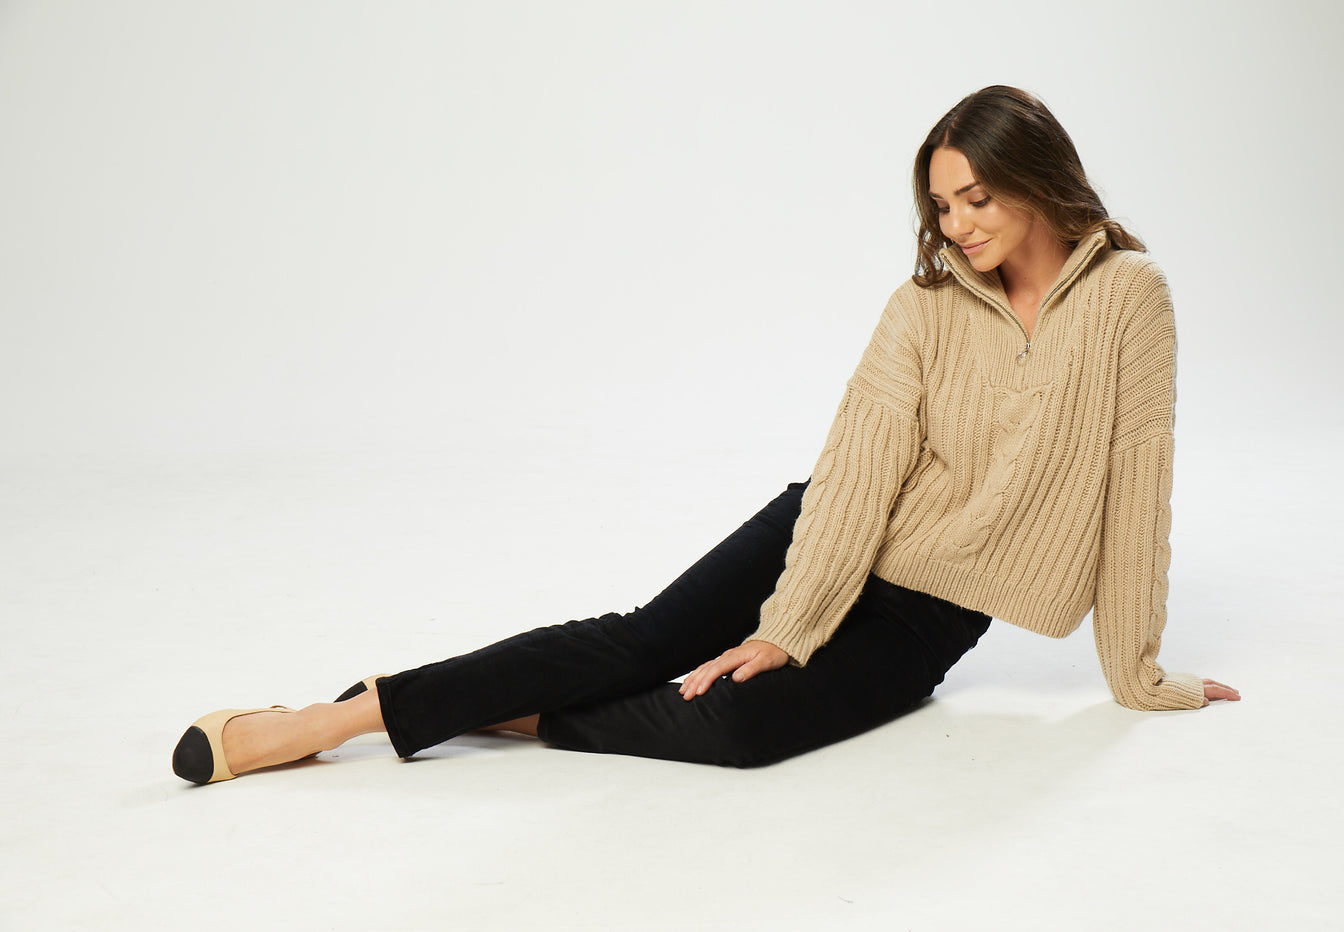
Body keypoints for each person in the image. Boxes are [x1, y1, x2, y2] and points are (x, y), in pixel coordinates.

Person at [172, 85, 1240, 786]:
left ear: (1038, 178)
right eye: (942, 207)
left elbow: (1136, 481)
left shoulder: (1129, 297)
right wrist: (791, 622)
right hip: (827, 532)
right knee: (641, 643)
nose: (957, 226)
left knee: (736, 729)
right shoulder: (922, 306)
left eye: (977, 199)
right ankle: (333, 720)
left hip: (936, 610)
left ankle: (516, 713)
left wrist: (1138, 672)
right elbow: (858, 467)